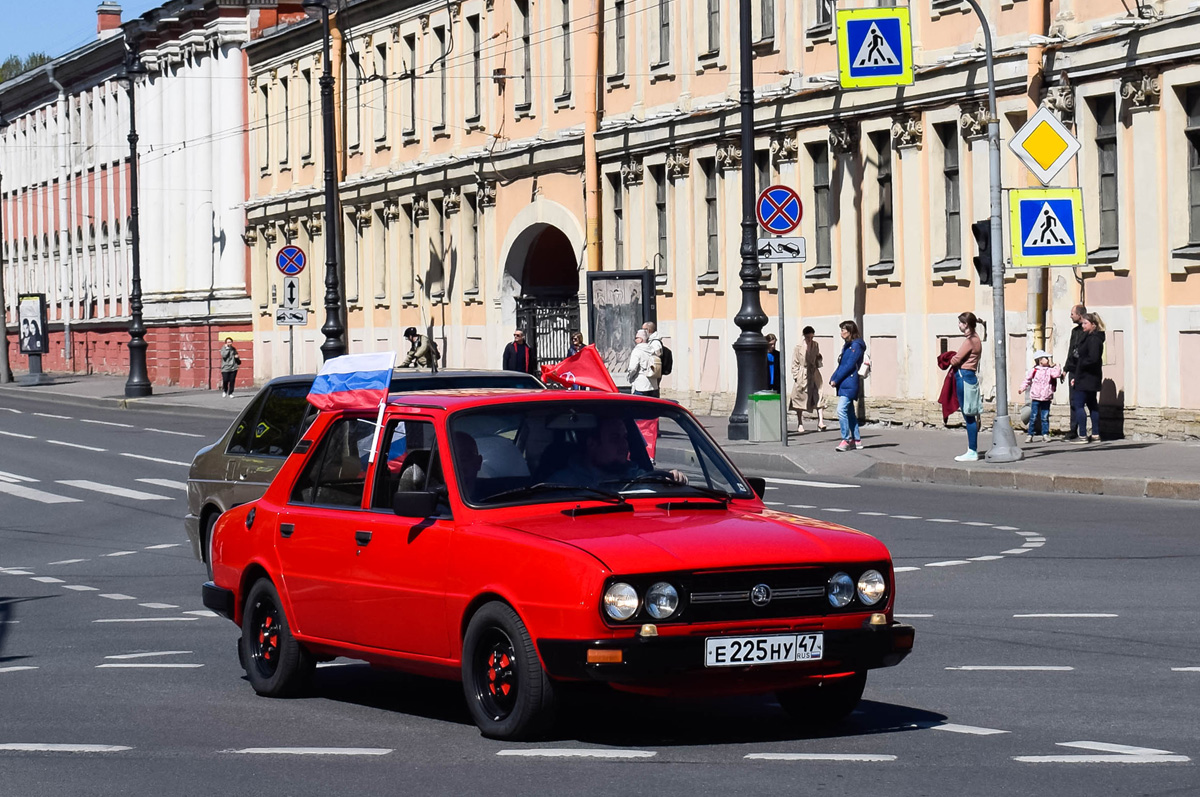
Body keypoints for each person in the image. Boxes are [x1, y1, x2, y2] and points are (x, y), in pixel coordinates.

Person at [550, 416, 686, 487]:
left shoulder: (636, 475)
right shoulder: (563, 484)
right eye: (614, 438)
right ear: (592, 444)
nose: (624, 444)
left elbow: (653, 488)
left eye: (625, 437)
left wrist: (672, 480)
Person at [949, 311, 983, 461]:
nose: (958, 325)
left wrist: (950, 357)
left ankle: (972, 451)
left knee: (968, 415)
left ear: (966, 325)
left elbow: (955, 360)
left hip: (964, 376)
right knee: (971, 414)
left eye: (960, 323)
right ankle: (972, 449)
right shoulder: (977, 339)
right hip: (970, 376)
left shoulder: (969, 341)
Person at [829, 320, 866, 452]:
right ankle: (856, 440)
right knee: (850, 412)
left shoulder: (856, 346)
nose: (841, 333)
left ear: (850, 331)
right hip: (844, 383)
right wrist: (833, 378)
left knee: (841, 410)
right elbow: (841, 365)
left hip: (850, 382)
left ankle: (845, 439)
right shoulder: (848, 346)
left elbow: (849, 365)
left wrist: (836, 379)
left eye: (843, 330)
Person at [1069, 312, 1105, 443]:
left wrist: (1079, 369)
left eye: (1085, 323)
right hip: (1089, 377)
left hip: (1086, 378)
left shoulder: (1094, 339)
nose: (1082, 325)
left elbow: (1092, 359)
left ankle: (1083, 435)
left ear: (1093, 325)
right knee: (1092, 405)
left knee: (1079, 405)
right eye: (1082, 323)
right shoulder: (1090, 337)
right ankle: (1095, 434)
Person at [1018, 349, 1062, 443]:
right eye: (1046, 358)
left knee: (1045, 417)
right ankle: (1030, 434)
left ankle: (1045, 434)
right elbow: (1027, 380)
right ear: (1040, 360)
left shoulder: (1050, 370)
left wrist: (1057, 365)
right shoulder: (1034, 371)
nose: (1048, 359)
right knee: (1033, 416)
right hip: (1036, 397)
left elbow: (1057, 375)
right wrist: (1022, 388)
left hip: (1046, 397)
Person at [790, 326, 827, 433]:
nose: (810, 339)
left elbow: (817, 357)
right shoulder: (798, 347)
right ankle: (800, 423)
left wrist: (818, 360)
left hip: (814, 373)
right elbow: (794, 363)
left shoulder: (815, 345)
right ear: (804, 336)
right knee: (799, 398)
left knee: (819, 395)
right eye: (808, 337)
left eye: (811, 337)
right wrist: (796, 376)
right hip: (802, 374)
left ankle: (821, 422)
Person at [1061, 304, 1087, 440]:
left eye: (1072, 314)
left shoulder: (1089, 331)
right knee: (1073, 400)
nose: (1070, 316)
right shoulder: (1075, 331)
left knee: (1086, 401)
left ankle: (1089, 431)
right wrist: (1066, 369)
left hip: (1084, 370)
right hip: (1073, 370)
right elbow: (1071, 351)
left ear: (1079, 315)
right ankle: (1073, 429)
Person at [627, 329, 662, 397]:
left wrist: (630, 377)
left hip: (641, 386)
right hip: (653, 385)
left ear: (640, 339)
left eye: (636, 338)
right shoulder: (653, 350)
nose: (635, 340)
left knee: (639, 406)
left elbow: (632, 368)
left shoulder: (637, 351)